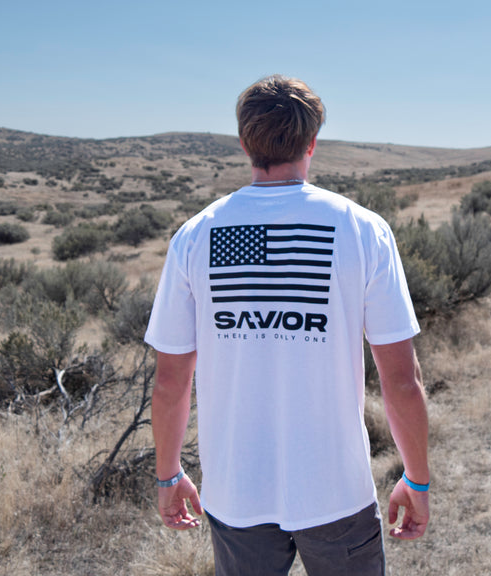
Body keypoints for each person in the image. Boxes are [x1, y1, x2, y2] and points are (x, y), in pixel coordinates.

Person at [145, 75, 429, 576]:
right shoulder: (363, 230)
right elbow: (402, 380)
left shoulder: (195, 236)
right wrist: (418, 480)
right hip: (337, 491)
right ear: (311, 142)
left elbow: (171, 381)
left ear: (244, 143)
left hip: (236, 493)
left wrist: (168, 475)